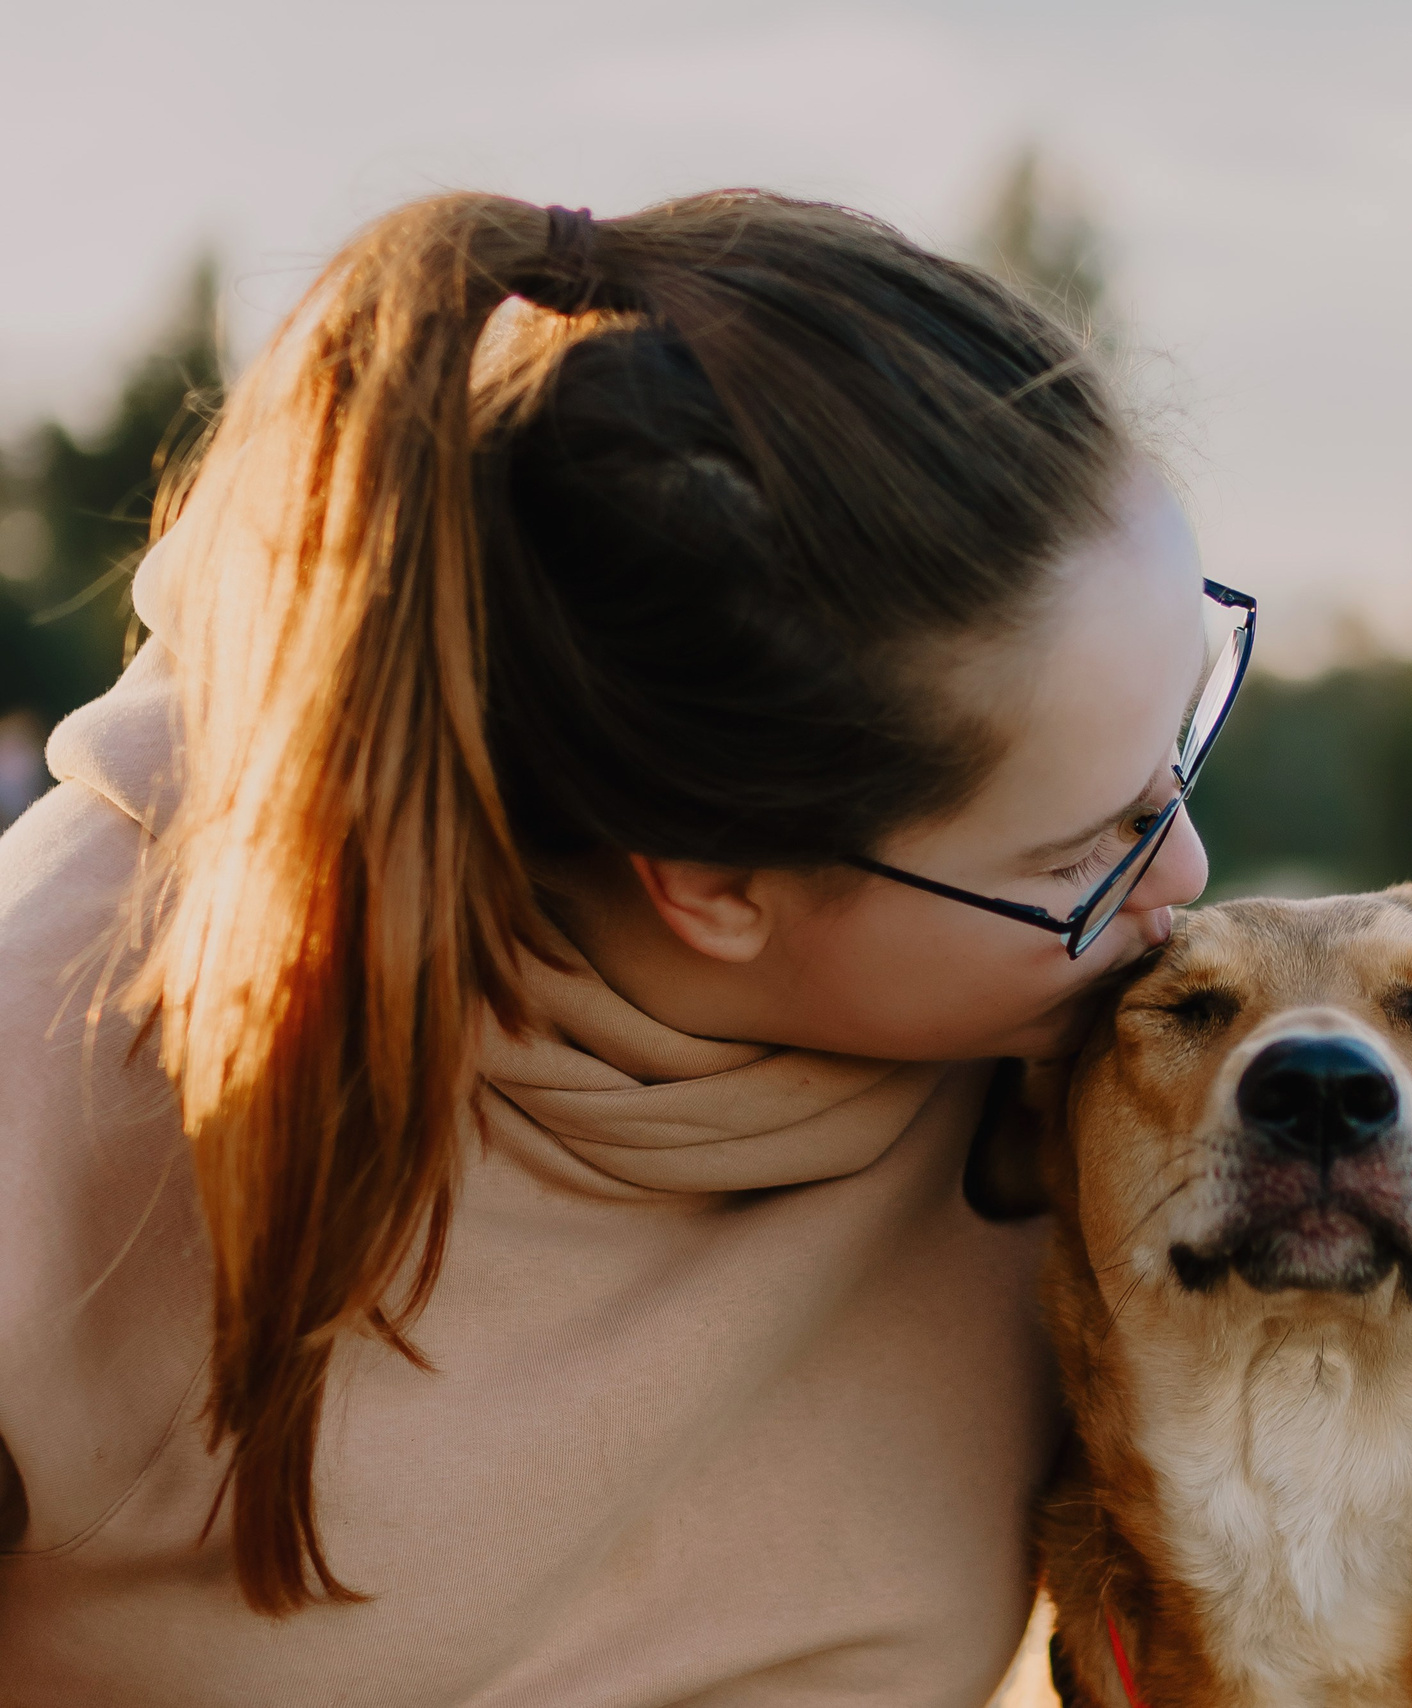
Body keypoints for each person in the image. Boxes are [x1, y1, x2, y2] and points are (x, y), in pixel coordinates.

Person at [0, 192, 1253, 1707]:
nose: (1183, 871)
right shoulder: (57, 1106)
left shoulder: (1096, 1041)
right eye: (1079, 853)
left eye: (1182, 742)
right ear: (718, 888)